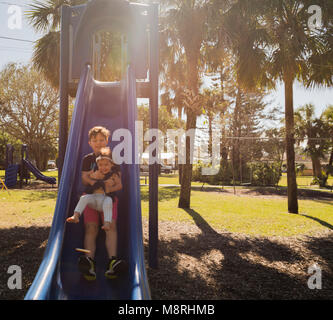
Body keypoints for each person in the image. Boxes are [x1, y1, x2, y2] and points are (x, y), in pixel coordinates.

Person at [68, 126, 125, 280]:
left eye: (101, 140)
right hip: (91, 198)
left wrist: (104, 183)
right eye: (95, 140)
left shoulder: (114, 158)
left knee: (110, 227)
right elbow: (84, 179)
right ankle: (89, 262)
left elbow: (118, 182)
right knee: (91, 228)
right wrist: (98, 178)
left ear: (107, 141)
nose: (99, 143)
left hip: (108, 199)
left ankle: (112, 261)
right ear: (90, 143)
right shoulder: (88, 159)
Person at [66, 147, 118, 232]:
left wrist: (108, 181)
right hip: (94, 200)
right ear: (97, 165)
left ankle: (107, 222)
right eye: (100, 165)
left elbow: (113, 184)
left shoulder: (112, 174)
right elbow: (86, 177)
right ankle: (76, 216)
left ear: (111, 165)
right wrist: (92, 176)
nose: (103, 167)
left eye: (106, 165)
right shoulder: (95, 172)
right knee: (84, 198)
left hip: (104, 201)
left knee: (109, 200)